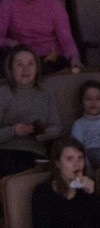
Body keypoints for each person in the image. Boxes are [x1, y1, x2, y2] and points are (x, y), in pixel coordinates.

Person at [0, 0, 80, 72]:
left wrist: (74, 58)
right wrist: (10, 43)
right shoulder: (8, 3)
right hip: (21, 59)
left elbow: (66, 40)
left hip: (50, 59)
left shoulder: (55, 5)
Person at [0, 45, 61, 177]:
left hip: (35, 153)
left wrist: (42, 133)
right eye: (20, 65)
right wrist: (13, 130)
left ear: (37, 68)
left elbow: (57, 127)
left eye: (30, 64)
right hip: (6, 151)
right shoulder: (3, 93)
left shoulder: (46, 92)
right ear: (11, 69)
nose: (26, 69)